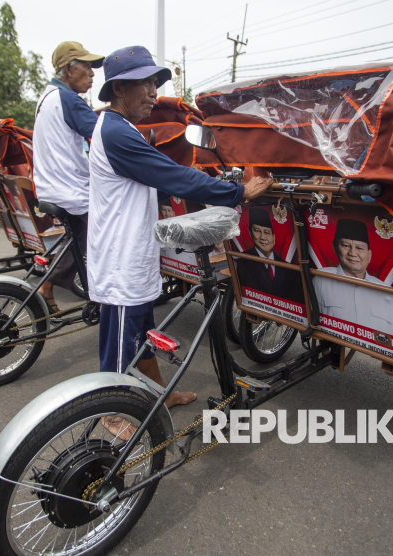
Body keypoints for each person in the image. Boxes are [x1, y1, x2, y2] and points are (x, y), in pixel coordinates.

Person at [88, 45, 272, 426]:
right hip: (120, 261)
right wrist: (238, 192)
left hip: (134, 253)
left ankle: (160, 394)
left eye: (156, 82)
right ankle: (113, 414)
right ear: (119, 89)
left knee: (144, 332)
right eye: (145, 83)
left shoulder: (123, 128)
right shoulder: (116, 132)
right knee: (121, 344)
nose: (154, 92)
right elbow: (173, 176)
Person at [32, 41, 104, 313]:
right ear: (68, 68)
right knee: (105, 239)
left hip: (53, 187)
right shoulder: (67, 99)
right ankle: (106, 298)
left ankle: (48, 287)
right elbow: (104, 135)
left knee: (77, 238)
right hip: (71, 190)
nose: (93, 74)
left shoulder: (47, 97)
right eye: (87, 67)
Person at [312, 219, 393, 338]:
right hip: (335, 349)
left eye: (360, 248)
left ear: (369, 254)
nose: (352, 253)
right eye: (346, 246)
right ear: (335, 248)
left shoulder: (387, 292)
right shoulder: (322, 279)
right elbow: (311, 321)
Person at [235, 208, 303, 302]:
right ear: (250, 232)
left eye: (267, 232)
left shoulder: (290, 269)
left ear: (273, 237)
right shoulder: (243, 261)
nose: (263, 237)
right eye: (257, 231)